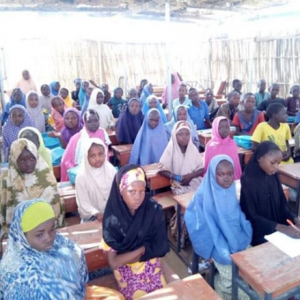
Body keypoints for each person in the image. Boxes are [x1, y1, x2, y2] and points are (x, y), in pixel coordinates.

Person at [185, 155, 252, 300]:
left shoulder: (230, 189)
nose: (226, 178)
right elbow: (197, 225)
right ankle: (220, 288)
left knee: (252, 272)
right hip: (217, 244)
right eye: (221, 174)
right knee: (237, 287)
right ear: (212, 174)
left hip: (236, 238)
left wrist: (244, 229)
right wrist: (210, 252)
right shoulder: (202, 196)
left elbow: (235, 216)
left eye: (229, 174)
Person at [101, 164, 170, 300]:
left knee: (162, 295)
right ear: (120, 191)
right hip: (126, 271)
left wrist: (131, 254)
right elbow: (114, 262)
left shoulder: (153, 210)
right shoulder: (112, 220)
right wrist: (143, 249)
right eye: (132, 191)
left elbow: (161, 247)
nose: (138, 197)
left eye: (142, 191)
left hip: (151, 265)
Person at [0, 199, 87, 299]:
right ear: (22, 236)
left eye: (52, 229)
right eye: (39, 234)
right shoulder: (13, 272)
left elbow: (81, 285)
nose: (49, 238)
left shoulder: (67, 248)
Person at [241, 141, 300, 246]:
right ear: (260, 158)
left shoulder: (273, 175)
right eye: (272, 163)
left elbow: (282, 204)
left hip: (279, 231)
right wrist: (281, 228)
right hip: (260, 235)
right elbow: (252, 216)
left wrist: (294, 219)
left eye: (278, 163)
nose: (276, 167)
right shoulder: (249, 181)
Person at [0, 139, 64, 232]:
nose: (28, 163)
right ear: (14, 160)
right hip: (18, 230)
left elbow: (55, 205)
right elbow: (4, 207)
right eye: (22, 160)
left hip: (47, 228)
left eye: (32, 158)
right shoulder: (7, 179)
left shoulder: (45, 175)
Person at [60, 109, 111, 181]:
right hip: (83, 173)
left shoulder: (102, 133)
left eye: (96, 120)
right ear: (84, 122)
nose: (93, 124)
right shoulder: (77, 138)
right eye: (89, 121)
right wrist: (78, 172)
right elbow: (66, 160)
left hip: (101, 168)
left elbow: (106, 153)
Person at [76, 138, 116, 223]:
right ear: (86, 157)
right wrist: (96, 213)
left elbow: (118, 194)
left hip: (113, 213)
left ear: (105, 154)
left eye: (100, 154)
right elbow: (83, 204)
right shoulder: (81, 177)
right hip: (92, 218)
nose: (97, 159)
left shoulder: (111, 170)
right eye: (92, 156)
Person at [160, 121, 203, 195]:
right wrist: (178, 178)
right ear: (175, 135)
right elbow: (161, 170)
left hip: (193, 180)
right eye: (180, 134)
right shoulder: (170, 150)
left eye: (187, 134)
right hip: (178, 182)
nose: (184, 137)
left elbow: (201, 168)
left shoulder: (193, 149)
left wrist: (190, 176)